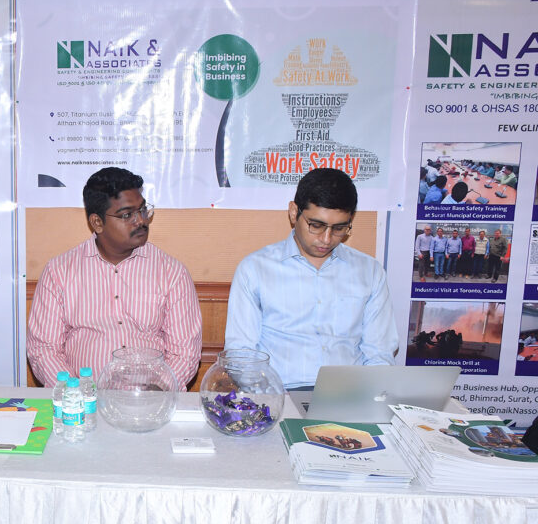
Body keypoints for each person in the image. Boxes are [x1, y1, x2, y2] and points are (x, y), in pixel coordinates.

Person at [26, 167, 202, 389]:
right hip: (83, 399)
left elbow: (184, 353)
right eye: (127, 215)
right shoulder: (59, 272)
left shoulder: (172, 273)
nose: (141, 221)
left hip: (152, 399)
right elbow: (44, 349)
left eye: (142, 210)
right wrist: (78, 393)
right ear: (97, 222)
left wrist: (154, 393)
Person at [225, 168, 398, 390]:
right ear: (293, 212)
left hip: (347, 395)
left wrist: (366, 397)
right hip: (279, 394)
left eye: (339, 228)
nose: (326, 239)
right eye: (316, 225)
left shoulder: (369, 271)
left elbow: (379, 353)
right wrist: (270, 400)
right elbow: (241, 354)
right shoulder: (255, 269)